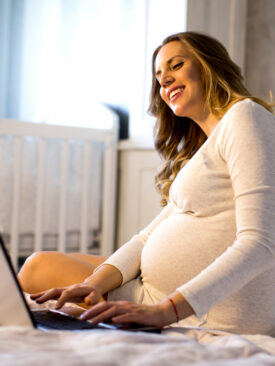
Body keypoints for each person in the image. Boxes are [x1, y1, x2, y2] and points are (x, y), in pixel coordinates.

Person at [18, 31, 275, 335]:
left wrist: (166, 311)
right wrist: (91, 287)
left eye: (176, 65)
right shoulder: (204, 150)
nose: (164, 79)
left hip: (202, 309)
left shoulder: (244, 116)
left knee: (38, 266)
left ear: (210, 65)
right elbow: (145, 238)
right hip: (158, 289)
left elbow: (260, 243)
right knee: (63, 268)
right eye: (158, 74)